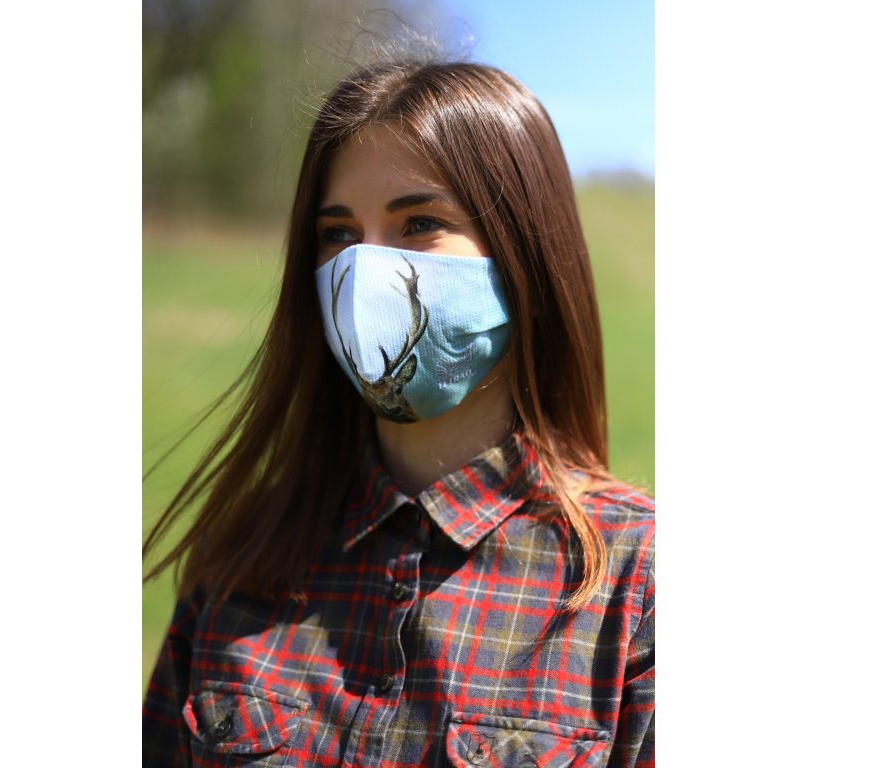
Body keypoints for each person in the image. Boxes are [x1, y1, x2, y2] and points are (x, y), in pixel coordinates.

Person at [143, 58, 654, 768]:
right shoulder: (241, 555)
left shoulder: (635, 584)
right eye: (338, 234)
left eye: (420, 223)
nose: (364, 272)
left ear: (526, 253)